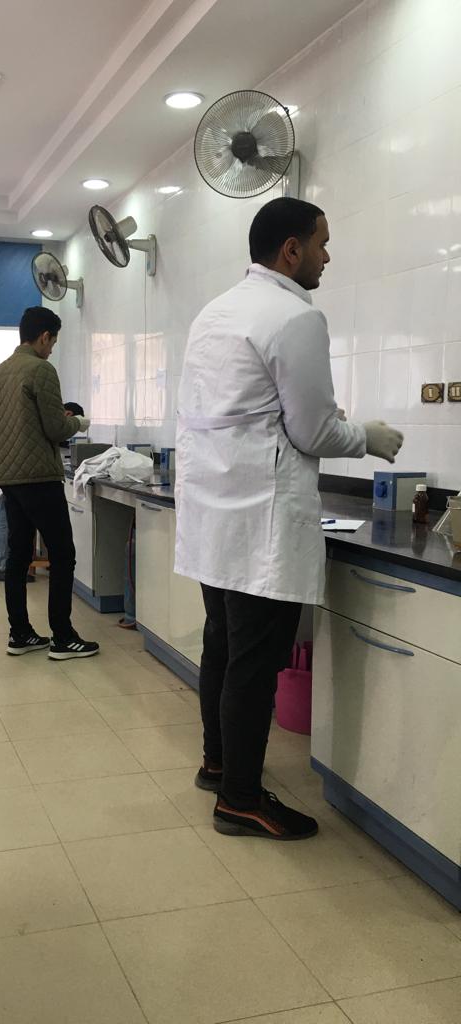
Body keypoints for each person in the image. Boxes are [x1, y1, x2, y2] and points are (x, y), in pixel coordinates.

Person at [175, 197, 403, 841]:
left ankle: (218, 765)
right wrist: (367, 437)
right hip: (261, 521)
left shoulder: (214, 312)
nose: (328, 256)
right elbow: (313, 431)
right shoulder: (294, 316)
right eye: (322, 243)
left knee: (222, 645)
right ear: (291, 250)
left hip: (215, 512)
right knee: (253, 663)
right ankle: (240, 801)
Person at [0, 306, 99, 660]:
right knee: (63, 554)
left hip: (7, 477)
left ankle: (20, 633)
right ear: (44, 336)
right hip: (37, 476)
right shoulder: (40, 369)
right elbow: (56, 428)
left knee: (18, 557)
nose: (51, 350)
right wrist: (79, 423)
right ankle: (62, 637)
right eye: (53, 342)